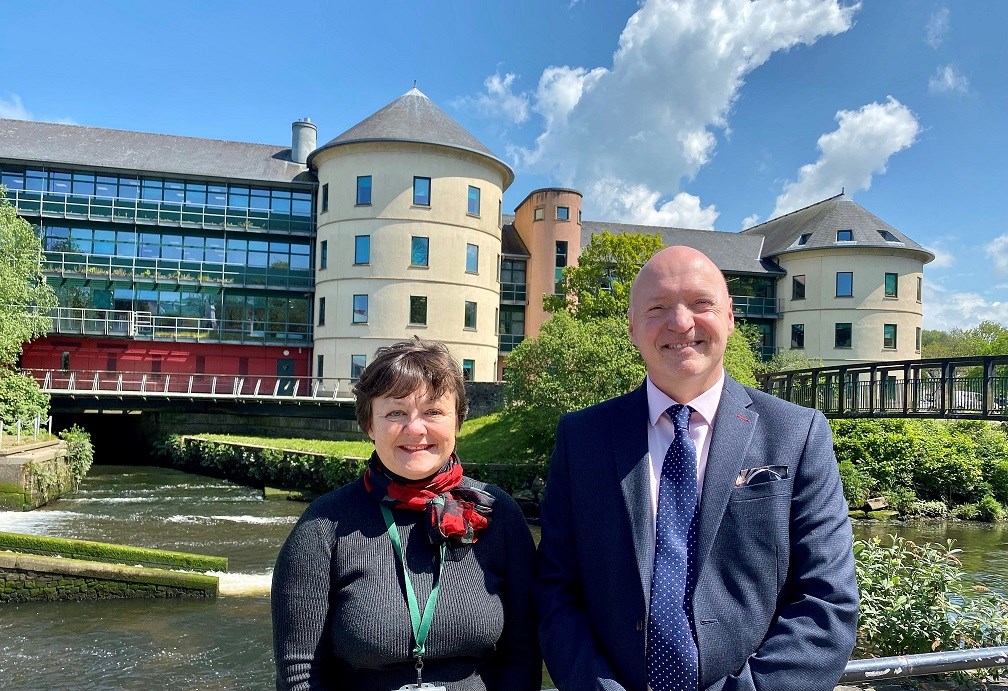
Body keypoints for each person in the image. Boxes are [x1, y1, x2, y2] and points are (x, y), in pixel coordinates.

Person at [537, 245, 858, 691]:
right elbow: (555, 591)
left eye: (700, 304)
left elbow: (827, 602)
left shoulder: (797, 433)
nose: (681, 323)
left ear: (729, 317)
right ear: (632, 328)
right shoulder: (582, 438)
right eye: (658, 307)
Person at [272, 339, 540, 690]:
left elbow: (523, 656)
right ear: (369, 424)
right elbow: (300, 673)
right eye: (396, 412)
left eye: (433, 412)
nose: (415, 429)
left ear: (458, 420)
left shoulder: (499, 513)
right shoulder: (323, 526)